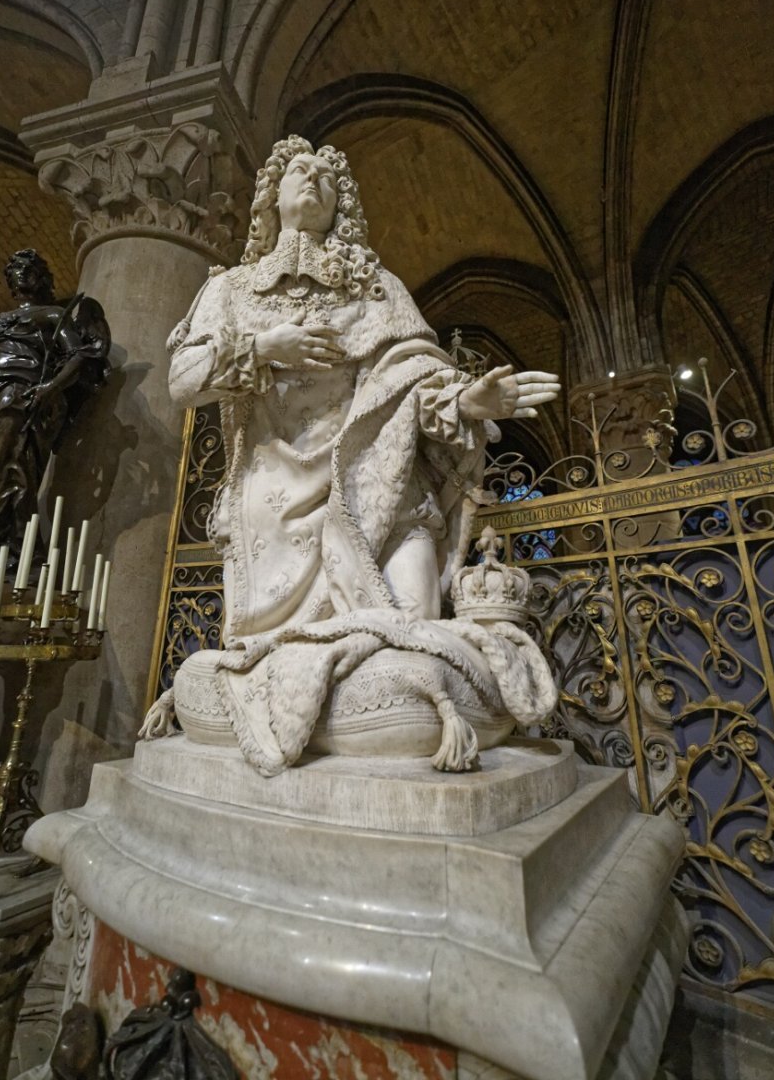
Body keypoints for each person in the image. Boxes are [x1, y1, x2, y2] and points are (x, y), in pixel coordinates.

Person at [158, 135, 559, 773]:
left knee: (420, 633)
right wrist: (265, 347)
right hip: (274, 495)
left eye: (327, 176)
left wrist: (468, 402)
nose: (312, 180)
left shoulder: (377, 288)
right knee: (393, 653)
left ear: (341, 205)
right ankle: (310, 685)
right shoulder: (232, 290)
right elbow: (183, 381)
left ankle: (381, 700)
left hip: (378, 483)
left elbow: (415, 380)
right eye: (298, 171)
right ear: (272, 195)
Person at [0, 249, 110, 554]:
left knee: (6, 467)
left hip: (20, 395)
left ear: (43, 278)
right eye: (16, 268)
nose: (22, 272)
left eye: (30, 267)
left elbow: (79, 354)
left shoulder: (52, 315)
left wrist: (49, 388)